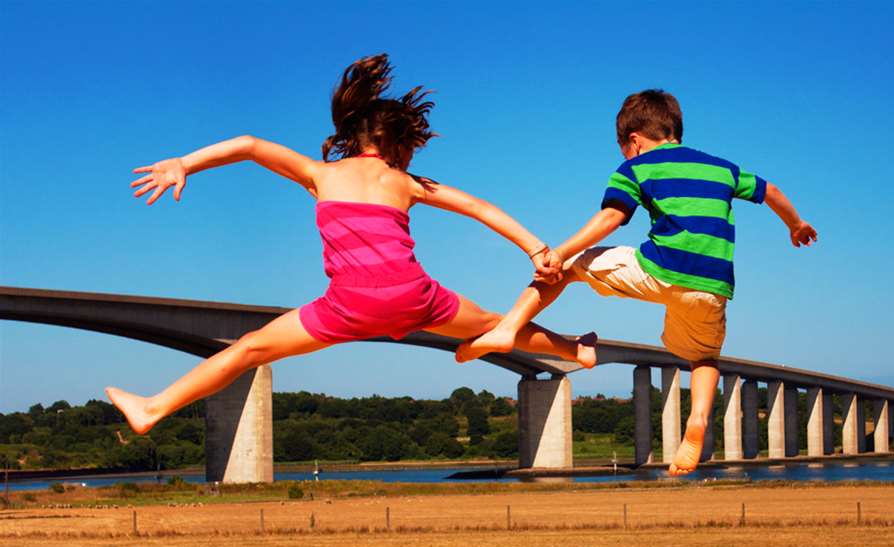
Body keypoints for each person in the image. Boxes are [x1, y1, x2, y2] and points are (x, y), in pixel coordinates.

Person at [106, 53, 595, 435]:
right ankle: (575, 350)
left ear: (353, 137)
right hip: (413, 296)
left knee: (250, 348)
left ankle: (153, 407)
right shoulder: (406, 182)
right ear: (399, 144)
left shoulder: (320, 174)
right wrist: (536, 249)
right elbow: (480, 207)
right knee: (495, 322)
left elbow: (250, 145)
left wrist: (183, 164)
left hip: (347, 306)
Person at [457, 89, 817, 476]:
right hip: (711, 288)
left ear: (634, 141)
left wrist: (559, 252)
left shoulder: (636, 168)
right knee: (703, 358)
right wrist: (796, 225)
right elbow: (772, 192)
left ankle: (508, 327)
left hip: (657, 271)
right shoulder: (722, 168)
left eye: (624, 150)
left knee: (569, 268)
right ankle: (696, 421)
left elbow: (611, 218)